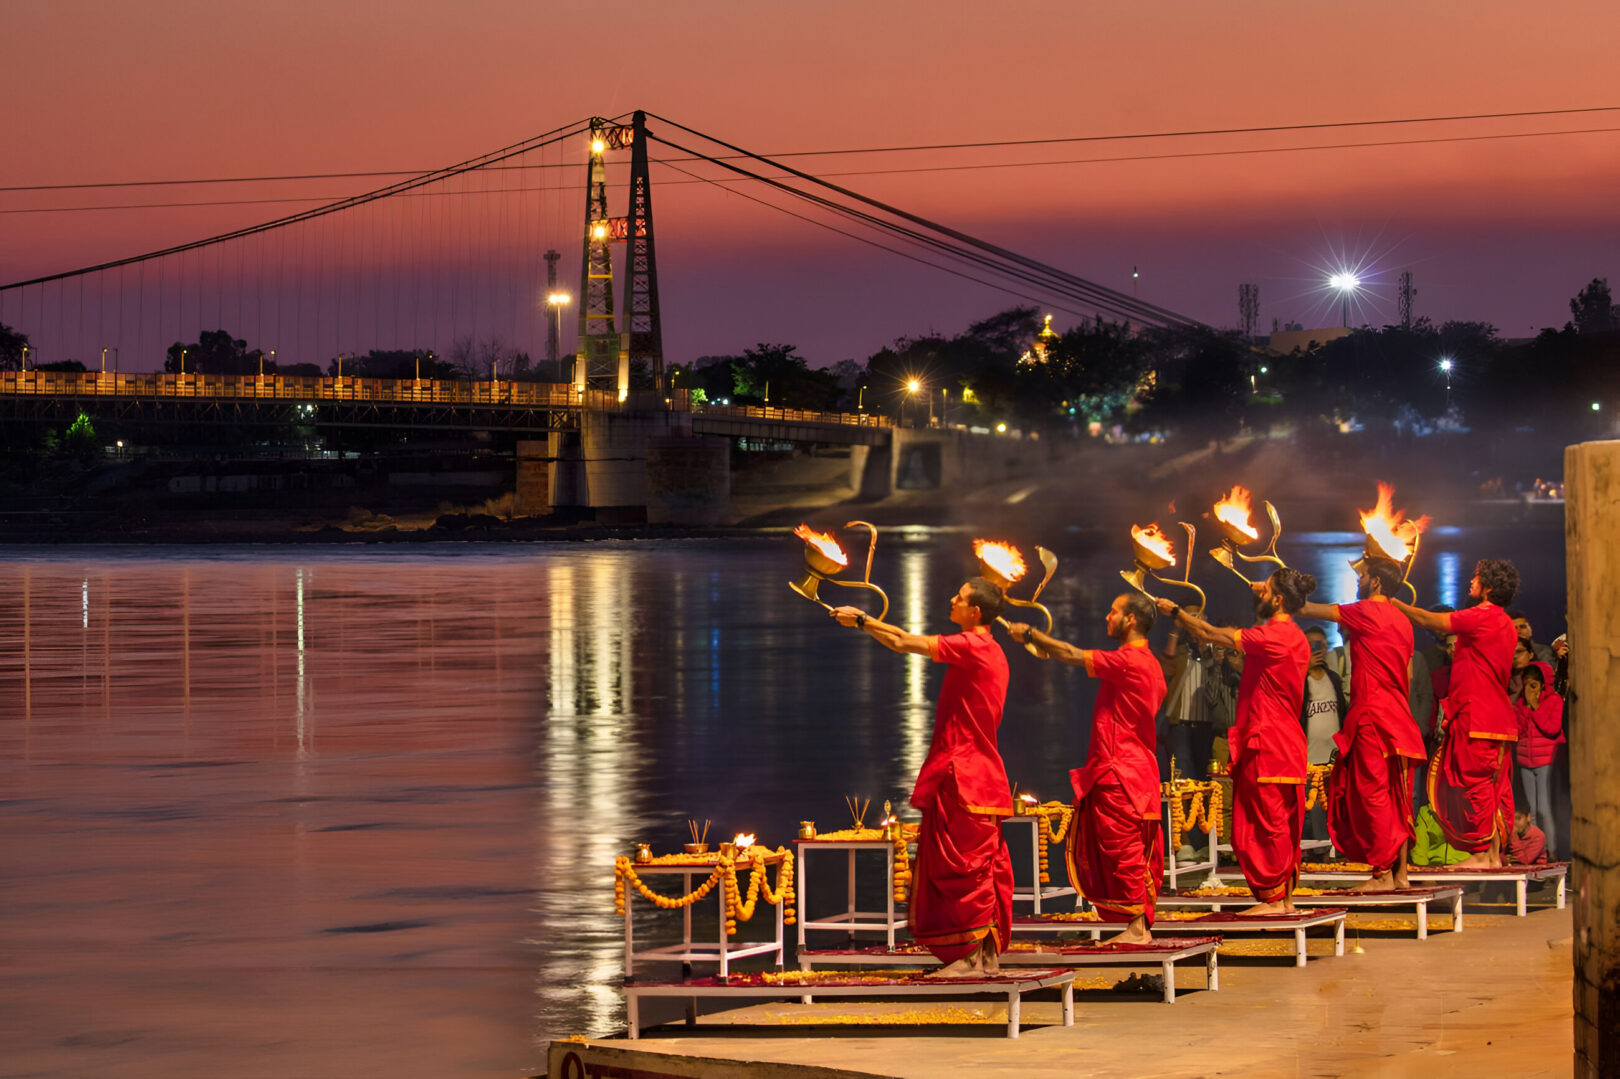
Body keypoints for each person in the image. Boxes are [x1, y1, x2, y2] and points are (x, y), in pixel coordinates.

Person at [831, 578, 1014, 977]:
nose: (951, 598)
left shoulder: (973, 646)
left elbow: (901, 643)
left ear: (975, 612)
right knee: (979, 867)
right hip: (983, 775)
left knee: (961, 869)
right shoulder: (995, 651)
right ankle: (985, 958)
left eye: (960, 597)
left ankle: (968, 959)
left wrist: (861, 619)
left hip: (964, 775)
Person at [1008, 592, 1166, 944]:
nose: (1106, 617)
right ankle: (1135, 925)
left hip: (1121, 771)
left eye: (1113, 611)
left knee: (1122, 849)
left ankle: (1137, 929)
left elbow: (1072, 655)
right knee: (1126, 849)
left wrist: (1032, 635)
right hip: (1135, 771)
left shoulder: (1132, 660)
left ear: (1130, 621)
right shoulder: (1150, 663)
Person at [1157, 567, 1315, 915]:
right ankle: (1282, 897)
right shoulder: (1297, 637)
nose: (1258, 594)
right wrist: (1264, 587)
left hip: (1268, 741)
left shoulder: (1273, 635)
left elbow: (1214, 633)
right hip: (1286, 741)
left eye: (1266, 591)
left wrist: (1176, 613)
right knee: (1280, 822)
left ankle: (1274, 900)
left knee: (1265, 822)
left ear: (1277, 599)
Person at [1297, 556, 1428, 890]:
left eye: (1363, 577)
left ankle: (1382, 874)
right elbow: (1408, 675)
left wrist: (1282, 594)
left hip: (1373, 717)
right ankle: (1400, 874)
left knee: (1372, 796)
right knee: (1396, 797)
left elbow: (1312, 611)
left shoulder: (1367, 611)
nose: (1359, 582)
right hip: (1400, 719)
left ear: (1377, 583)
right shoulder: (1403, 621)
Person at [1392, 558, 1520, 869]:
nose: (1470, 582)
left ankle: (1480, 853)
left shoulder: (1483, 616)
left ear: (1488, 587)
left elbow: (1430, 621)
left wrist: (1395, 604)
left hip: (1478, 715)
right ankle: (1492, 855)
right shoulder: (1504, 622)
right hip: (1496, 716)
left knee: (1472, 783)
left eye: (1476, 578)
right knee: (1493, 787)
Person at [1298, 626, 1345, 843]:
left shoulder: (1334, 678)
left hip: (1335, 756)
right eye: (1313, 645)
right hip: (1309, 757)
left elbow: (1343, 711)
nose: (1319, 650)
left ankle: (1339, 849)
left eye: (1322, 645)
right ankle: (1320, 852)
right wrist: (1303, 669)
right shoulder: (1299, 679)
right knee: (1314, 808)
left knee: (1337, 806)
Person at [1513, 661, 1564, 858]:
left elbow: (1551, 728)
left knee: (1544, 809)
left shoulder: (1553, 700)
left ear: (1543, 683)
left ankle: (1551, 851)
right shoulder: (1520, 703)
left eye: (1533, 684)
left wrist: (1535, 705)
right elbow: (1519, 730)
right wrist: (1526, 705)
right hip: (1526, 761)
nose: (1529, 688)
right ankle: (1536, 854)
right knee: (1532, 812)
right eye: (1526, 683)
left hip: (1546, 762)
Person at [1159, 607, 1213, 782]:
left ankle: (1204, 809)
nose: (1192, 619)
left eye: (1197, 615)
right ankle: (1182, 810)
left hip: (1207, 723)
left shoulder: (1214, 649)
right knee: (1182, 773)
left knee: (1206, 773)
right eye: (1189, 615)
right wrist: (1176, 629)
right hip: (1180, 724)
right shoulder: (1180, 650)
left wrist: (1204, 633)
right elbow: (1166, 666)